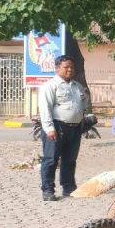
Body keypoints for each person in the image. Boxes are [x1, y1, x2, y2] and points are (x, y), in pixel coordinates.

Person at [38, 55, 92, 201]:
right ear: (57, 68)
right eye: (66, 67)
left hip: (75, 128)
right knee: (51, 160)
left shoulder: (77, 86)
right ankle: (48, 190)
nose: (70, 69)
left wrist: (87, 118)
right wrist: (49, 128)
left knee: (70, 160)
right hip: (57, 127)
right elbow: (45, 109)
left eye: (72, 67)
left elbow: (84, 104)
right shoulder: (50, 86)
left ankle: (69, 188)